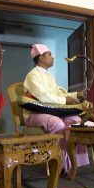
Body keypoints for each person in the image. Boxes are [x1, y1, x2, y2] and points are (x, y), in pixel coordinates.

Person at [23, 44, 89, 174]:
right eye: (49, 55)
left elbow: (58, 94)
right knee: (57, 123)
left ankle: (75, 163)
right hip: (34, 114)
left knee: (76, 121)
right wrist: (66, 100)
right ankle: (58, 163)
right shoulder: (32, 75)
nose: (53, 58)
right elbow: (43, 97)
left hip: (53, 112)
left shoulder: (49, 76)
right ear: (41, 58)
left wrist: (77, 95)